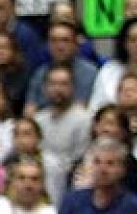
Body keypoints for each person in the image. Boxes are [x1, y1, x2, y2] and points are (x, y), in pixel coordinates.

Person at [35, 64, 94, 203]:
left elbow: (80, 158)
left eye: (63, 84)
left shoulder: (84, 119)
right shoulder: (38, 119)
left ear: (72, 88)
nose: (58, 89)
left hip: (70, 177)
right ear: (45, 88)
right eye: (53, 84)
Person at [24, 20, 98, 115]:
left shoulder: (90, 73)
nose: (59, 46)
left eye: (65, 40)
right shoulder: (40, 73)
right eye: (54, 41)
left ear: (75, 44)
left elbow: (82, 108)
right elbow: (29, 110)